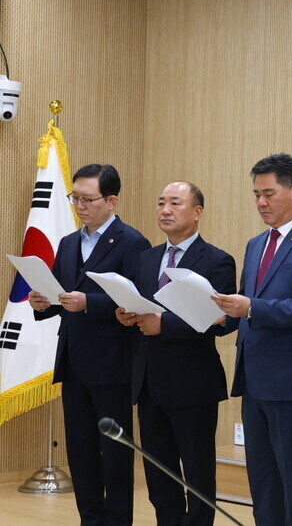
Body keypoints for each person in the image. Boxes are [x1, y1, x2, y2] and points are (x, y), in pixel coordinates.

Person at [212, 154, 292, 526]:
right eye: (256, 194)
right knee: (263, 483)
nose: (260, 202)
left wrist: (250, 308)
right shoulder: (256, 244)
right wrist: (221, 316)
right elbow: (247, 302)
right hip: (254, 379)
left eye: (268, 193)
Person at [28, 164, 150, 524]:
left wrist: (90, 303)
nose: (80, 206)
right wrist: (43, 303)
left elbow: (139, 301)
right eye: (75, 198)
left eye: (88, 199)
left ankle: (118, 519)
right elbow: (61, 294)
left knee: (114, 452)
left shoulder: (132, 242)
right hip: (73, 360)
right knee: (80, 450)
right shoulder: (68, 243)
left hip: (113, 362)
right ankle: (90, 518)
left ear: (111, 201)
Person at [114, 181, 235, 525]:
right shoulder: (147, 258)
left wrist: (164, 325)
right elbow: (143, 307)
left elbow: (222, 320)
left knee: (197, 474)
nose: (165, 210)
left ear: (197, 212)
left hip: (193, 383)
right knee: (159, 475)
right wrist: (126, 315)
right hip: (148, 381)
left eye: (175, 203)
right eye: (161, 203)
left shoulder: (216, 260)